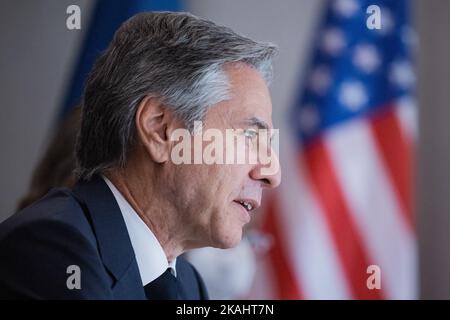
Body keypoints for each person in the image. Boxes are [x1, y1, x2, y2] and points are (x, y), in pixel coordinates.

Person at [0, 11, 280, 299]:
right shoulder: (52, 250)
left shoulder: (187, 284)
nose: (273, 173)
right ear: (160, 129)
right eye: (250, 136)